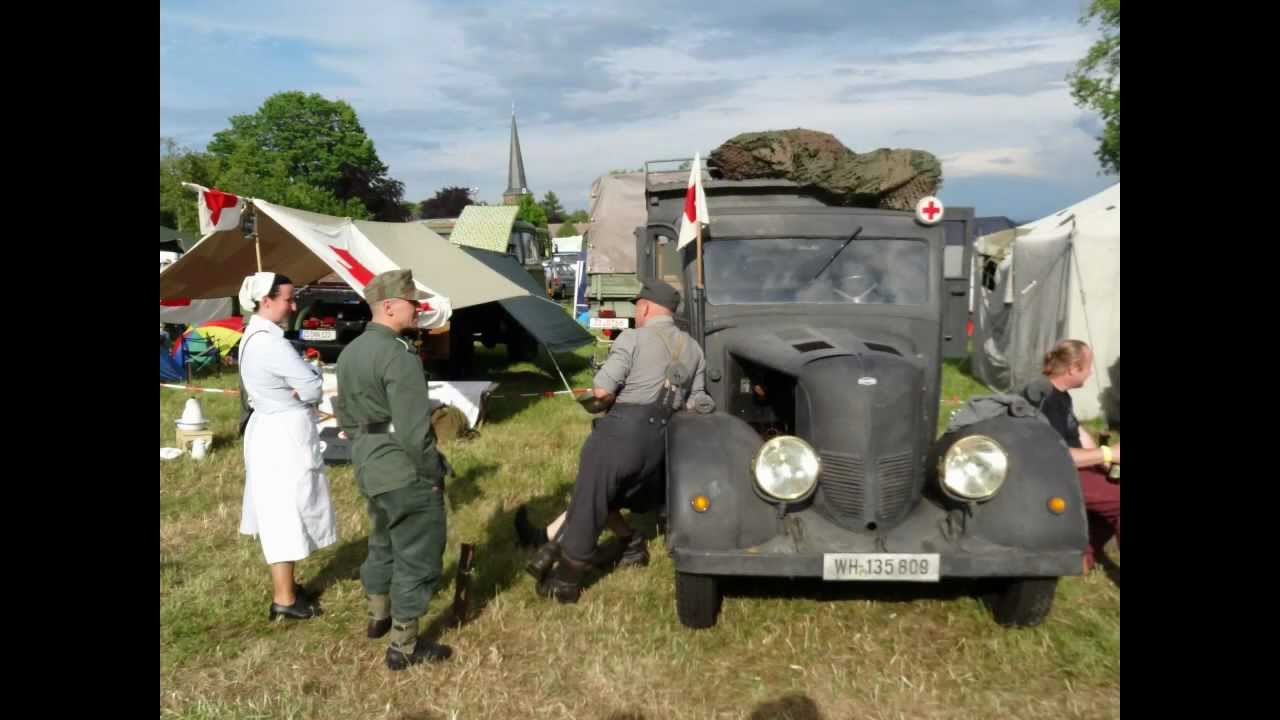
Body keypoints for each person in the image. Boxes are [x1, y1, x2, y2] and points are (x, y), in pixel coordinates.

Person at [515, 279, 707, 603]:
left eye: (637, 308)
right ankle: (629, 546)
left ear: (645, 308)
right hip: (661, 442)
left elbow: (602, 390)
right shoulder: (694, 348)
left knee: (589, 502)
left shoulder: (632, 338)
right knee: (606, 498)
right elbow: (696, 402)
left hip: (619, 435)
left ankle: (566, 581)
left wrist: (599, 395)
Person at [334, 269, 455, 671]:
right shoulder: (399, 355)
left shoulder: (351, 352)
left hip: (368, 462)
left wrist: (366, 447)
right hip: (403, 467)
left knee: (382, 540)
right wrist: (432, 473)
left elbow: (345, 415)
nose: (419, 308)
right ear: (388, 306)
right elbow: (414, 431)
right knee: (418, 552)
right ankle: (404, 645)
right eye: (412, 302)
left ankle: (378, 614)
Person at [237, 272, 337, 621]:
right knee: (284, 511)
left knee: (282, 508)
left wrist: (303, 381)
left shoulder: (254, 336)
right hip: (282, 434)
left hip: (271, 426)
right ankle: (284, 598)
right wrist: (311, 377)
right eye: (288, 299)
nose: (294, 306)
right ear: (266, 301)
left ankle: (287, 589)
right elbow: (311, 387)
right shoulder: (270, 343)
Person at [1021, 339, 1120, 572]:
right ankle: (1079, 555)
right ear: (1074, 368)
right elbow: (1055, 455)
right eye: (1088, 366)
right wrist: (1107, 452)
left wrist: (1106, 462)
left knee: (1114, 484)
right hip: (1054, 474)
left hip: (1071, 468)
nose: (1091, 372)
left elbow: (1077, 431)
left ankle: (1081, 556)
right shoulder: (1042, 397)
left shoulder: (1061, 395)